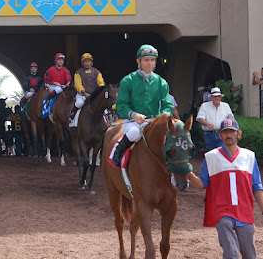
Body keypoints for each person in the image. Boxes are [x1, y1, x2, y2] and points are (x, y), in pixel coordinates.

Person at [186, 118, 263, 259]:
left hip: (245, 212)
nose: (229, 135)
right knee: (231, 253)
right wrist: (188, 173)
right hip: (222, 212)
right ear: (220, 135)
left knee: (250, 255)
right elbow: (201, 184)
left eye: (232, 132)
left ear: (238, 134)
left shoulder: (249, 156)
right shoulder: (211, 157)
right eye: (225, 132)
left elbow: (256, 186)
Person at [112, 44, 173, 167]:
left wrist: (161, 119)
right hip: (133, 122)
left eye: (152, 60)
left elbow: (167, 106)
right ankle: (118, 153)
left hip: (154, 121)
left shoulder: (161, 82)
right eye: (146, 60)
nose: (150, 63)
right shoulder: (127, 81)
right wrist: (134, 115)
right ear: (138, 61)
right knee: (135, 133)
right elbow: (121, 106)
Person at [69, 53, 105, 123]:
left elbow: (101, 83)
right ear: (82, 63)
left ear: (92, 62)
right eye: (85, 61)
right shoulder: (78, 73)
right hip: (82, 95)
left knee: (103, 104)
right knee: (79, 103)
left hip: (94, 95)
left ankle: (109, 120)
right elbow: (78, 84)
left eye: (89, 61)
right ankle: (72, 117)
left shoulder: (97, 72)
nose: (87, 63)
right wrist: (84, 93)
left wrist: (99, 92)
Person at [196, 87, 234, 151]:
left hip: (222, 134)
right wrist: (207, 124)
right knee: (211, 154)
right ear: (211, 97)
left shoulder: (226, 106)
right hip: (209, 134)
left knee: (222, 154)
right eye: (215, 96)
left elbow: (231, 119)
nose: (217, 98)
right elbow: (200, 118)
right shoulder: (204, 106)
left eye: (219, 96)